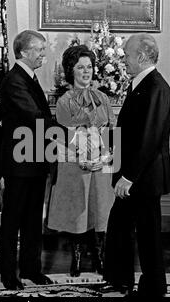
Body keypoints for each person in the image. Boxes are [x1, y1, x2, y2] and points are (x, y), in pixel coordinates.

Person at [102, 34, 170, 297]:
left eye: (127, 56)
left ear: (141, 57)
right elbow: (132, 131)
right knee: (120, 226)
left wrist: (128, 176)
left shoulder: (155, 87)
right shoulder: (141, 84)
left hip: (142, 178)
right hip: (135, 175)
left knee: (147, 234)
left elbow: (149, 138)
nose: (124, 60)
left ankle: (153, 287)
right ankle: (120, 280)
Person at [47, 45, 116, 277]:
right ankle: (75, 259)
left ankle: (100, 257)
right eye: (80, 67)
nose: (86, 72)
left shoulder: (103, 98)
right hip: (74, 165)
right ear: (71, 70)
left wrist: (106, 157)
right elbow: (68, 137)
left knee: (101, 212)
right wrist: (84, 160)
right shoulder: (65, 101)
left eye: (89, 67)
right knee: (78, 213)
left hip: (101, 166)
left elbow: (111, 132)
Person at [0, 30, 54, 290]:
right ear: (23, 52)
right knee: (12, 221)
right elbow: (36, 118)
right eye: (39, 49)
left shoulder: (28, 77)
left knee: (33, 219)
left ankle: (32, 269)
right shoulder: (14, 80)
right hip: (19, 164)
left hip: (35, 160)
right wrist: (73, 137)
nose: (44, 54)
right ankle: (8, 274)